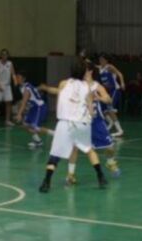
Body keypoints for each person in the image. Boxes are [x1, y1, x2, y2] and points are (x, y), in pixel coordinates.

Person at [37, 60, 109, 193]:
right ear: (84, 72)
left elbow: (60, 99)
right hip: (82, 124)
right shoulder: (87, 87)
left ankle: (46, 182)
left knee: (55, 155)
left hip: (65, 123)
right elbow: (91, 110)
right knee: (88, 149)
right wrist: (91, 114)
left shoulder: (64, 83)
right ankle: (101, 176)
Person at [61, 64, 121, 185]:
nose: (83, 73)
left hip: (96, 121)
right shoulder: (77, 86)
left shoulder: (97, 86)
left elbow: (108, 99)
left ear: (90, 72)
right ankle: (71, 175)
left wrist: (99, 98)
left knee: (109, 146)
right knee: (74, 148)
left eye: (85, 71)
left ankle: (110, 162)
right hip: (81, 121)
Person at [14, 71, 52, 149]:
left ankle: (55, 134)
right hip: (34, 107)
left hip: (39, 107)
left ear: (24, 79)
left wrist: (19, 114)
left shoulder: (26, 88)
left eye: (19, 77)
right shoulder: (23, 86)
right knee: (25, 124)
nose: (17, 79)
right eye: (16, 77)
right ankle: (38, 141)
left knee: (35, 127)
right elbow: (33, 92)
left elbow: (24, 102)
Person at [98, 53, 126, 137]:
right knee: (103, 109)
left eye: (102, 59)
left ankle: (120, 130)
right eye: (100, 59)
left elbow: (120, 74)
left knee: (110, 109)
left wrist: (122, 83)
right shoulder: (100, 68)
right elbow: (91, 65)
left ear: (106, 60)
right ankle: (110, 123)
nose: (101, 61)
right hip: (107, 92)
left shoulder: (109, 67)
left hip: (114, 90)